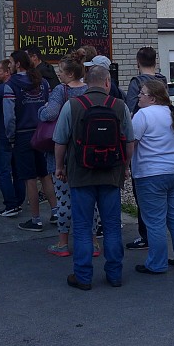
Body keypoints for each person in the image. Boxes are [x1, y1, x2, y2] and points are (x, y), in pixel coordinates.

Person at [53, 65, 134, 290]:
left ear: (87, 83)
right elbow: (129, 141)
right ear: (108, 82)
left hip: (81, 175)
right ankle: (115, 275)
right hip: (111, 174)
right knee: (111, 226)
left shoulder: (72, 105)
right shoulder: (119, 106)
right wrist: (125, 167)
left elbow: (60, 140)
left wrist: (60, 167)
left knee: (82, 227)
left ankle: (83, 276)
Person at [131, 78, 174, 276]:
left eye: (142, 93)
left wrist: (125, 166)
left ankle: (157, 264)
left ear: (152, 98)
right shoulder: (173, 112)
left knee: (154, 220)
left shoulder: (143, 115)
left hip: (152, 173)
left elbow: (131, 143)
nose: (138, 96)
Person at [37, 57, 89, 254]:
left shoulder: (61, 90)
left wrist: (41, 109)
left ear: (70, 74)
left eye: (61, 70)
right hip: (86, 152)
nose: (58, 73)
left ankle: (63, 243)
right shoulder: (88, 89)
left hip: (63, 152)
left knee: (64, 199)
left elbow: (50, 114)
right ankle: (93, 242)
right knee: (89, 201)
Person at [124, 46, 168, 250]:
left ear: (137, 62)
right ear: (155, 61)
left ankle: (146, 237)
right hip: (164, 146)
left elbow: (130, 111)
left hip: (144, 148)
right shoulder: (162, 81)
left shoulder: (136, 82)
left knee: (143, 198)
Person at [10, 49, 57, 231]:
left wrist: (10, 136)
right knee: (45, 175)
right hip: (42, 133)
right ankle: (55, 212)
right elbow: (50, 106)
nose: (9, 65)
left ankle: (35, 219)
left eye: (11, 62)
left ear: (18, 64)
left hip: (22, 134)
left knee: (29, 178)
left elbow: (9, 116)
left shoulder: (11, 84)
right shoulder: (43, 82)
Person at [0, 59, 20, 218]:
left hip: (3, 134)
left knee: (3, 171)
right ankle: (19, 200)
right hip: (20, 134)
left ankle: (11, 204)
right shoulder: (20, 86)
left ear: (7, 72)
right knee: (18, 170)